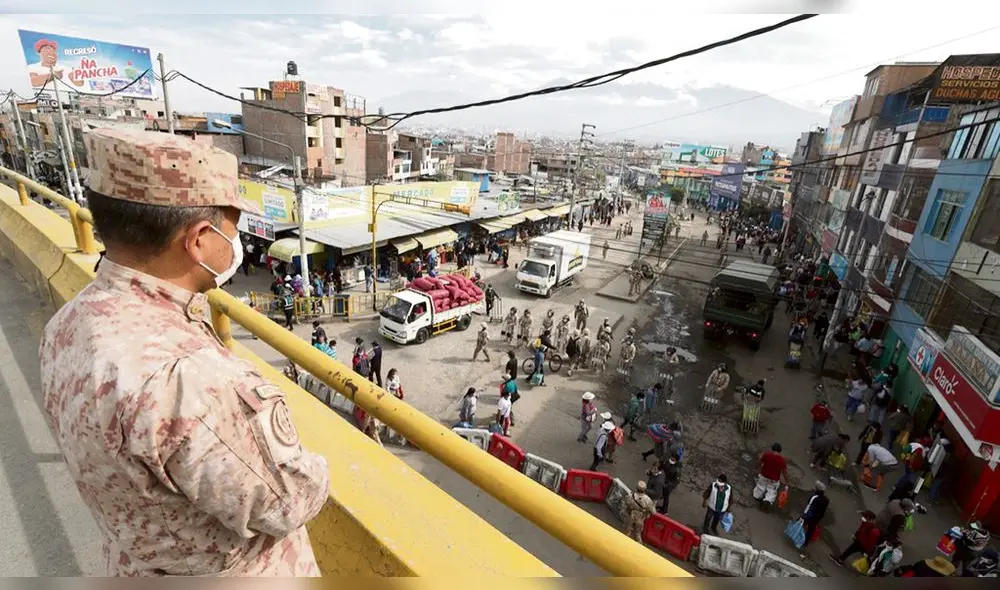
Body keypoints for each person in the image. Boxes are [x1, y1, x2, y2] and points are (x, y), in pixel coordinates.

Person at [38, 129, 329, 575]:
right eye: (232, 228)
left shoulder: (66, 325)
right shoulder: (190, 378)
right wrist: (320, 469)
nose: (236, 243)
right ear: (197, 240)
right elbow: (285, 501)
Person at [798, 481, 830, 558]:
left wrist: (804, 516)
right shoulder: (826, 500)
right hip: (817, 517)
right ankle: (805, 542)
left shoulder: (814, 497)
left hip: (809, 515)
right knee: (811, 530)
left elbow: (809, 506)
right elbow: (823, 510)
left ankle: (796, 536)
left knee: (799, 523)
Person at [753, 443, 788, 509]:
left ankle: (757, 496)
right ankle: (767, 501)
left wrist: (755, 468)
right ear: (780, 450)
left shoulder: (766, 455)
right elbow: (784, 472)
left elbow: (759, 462)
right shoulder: (782, 460)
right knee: (771, 492)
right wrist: (786, 481)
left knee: (760, 487)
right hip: (773, 480)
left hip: (763, 476)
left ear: (772, 448)